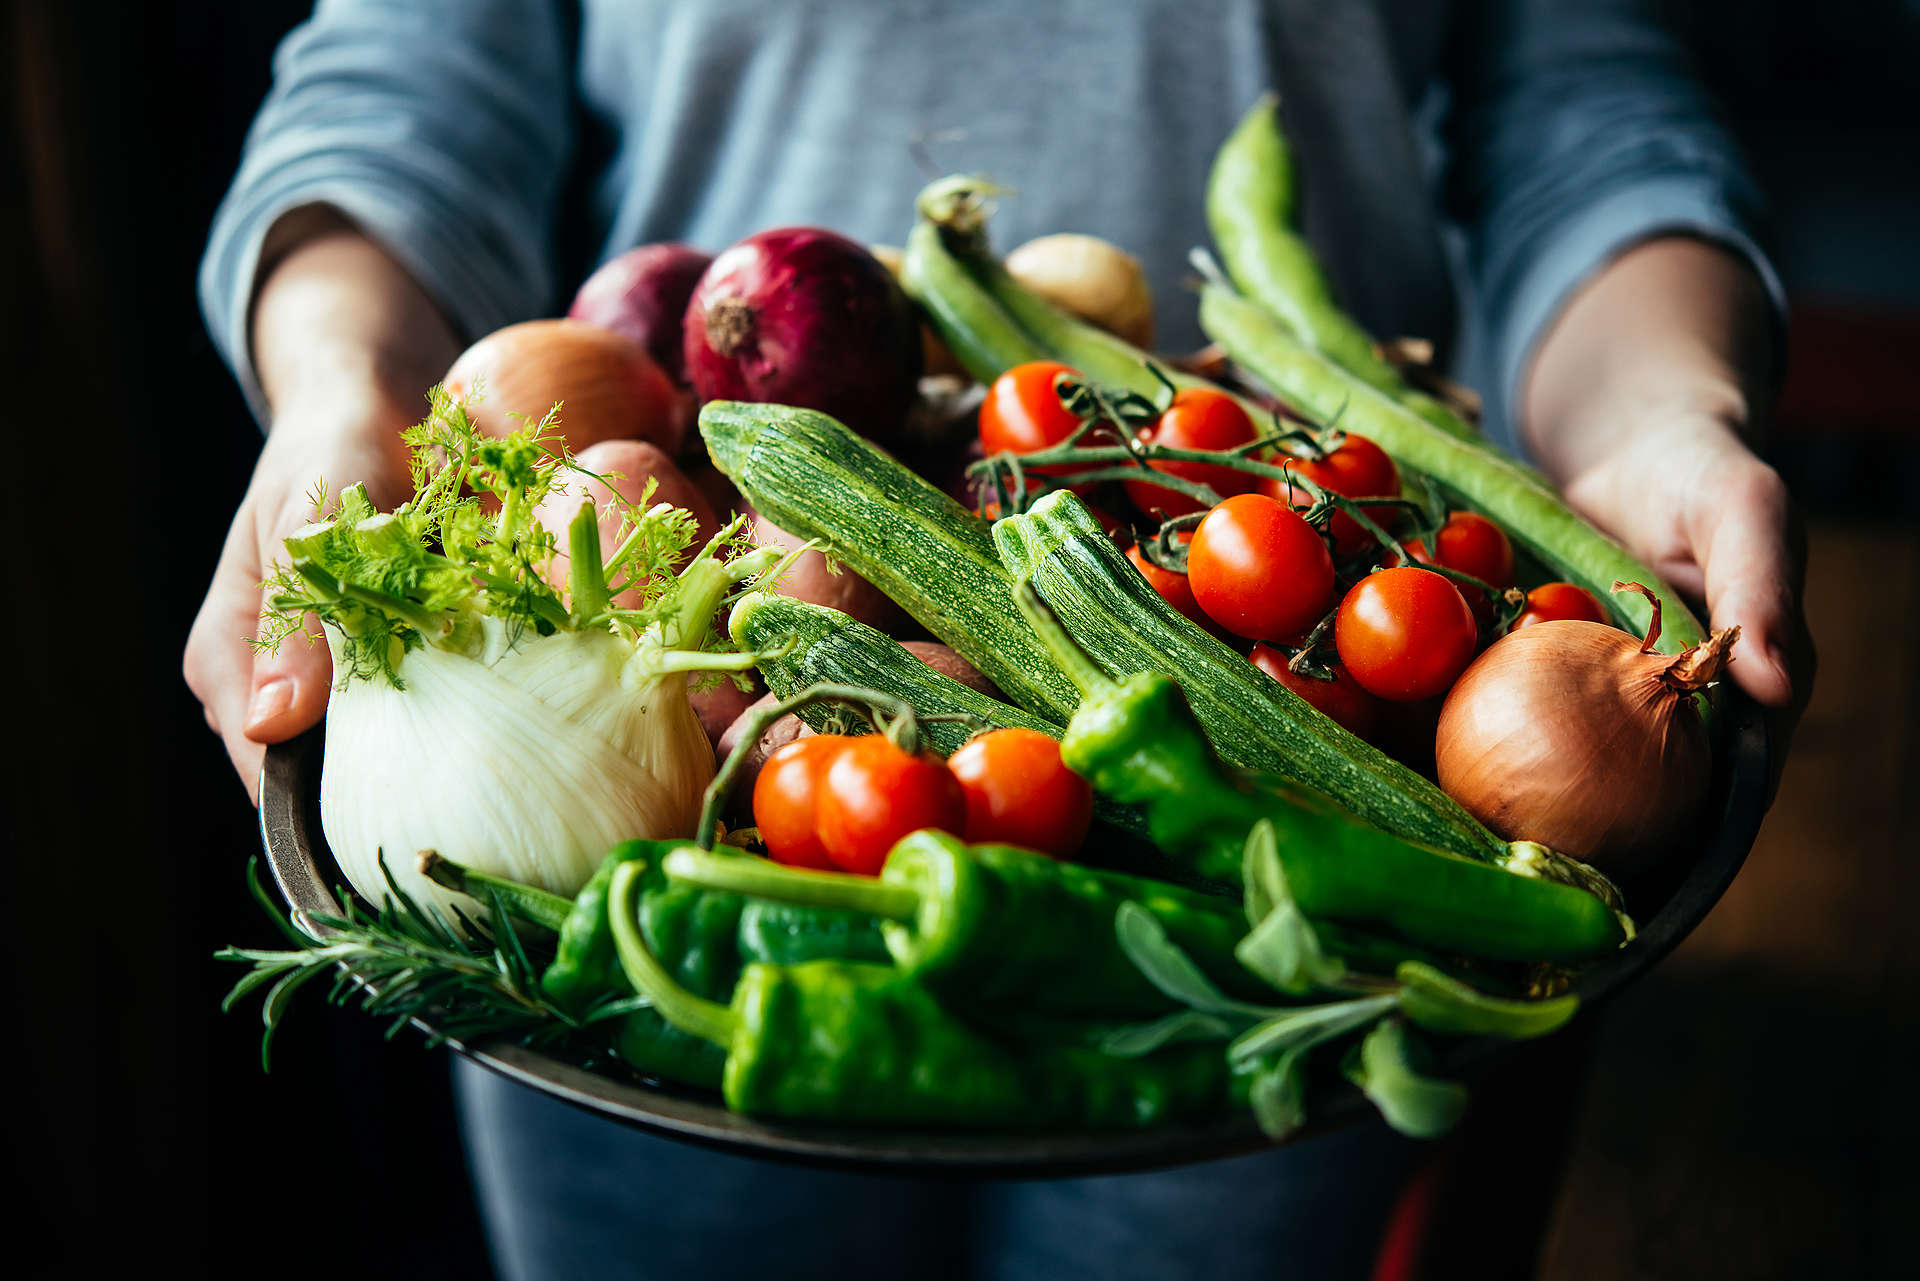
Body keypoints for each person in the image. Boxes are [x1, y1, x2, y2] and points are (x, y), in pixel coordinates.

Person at [185, 2, 1811, 1277]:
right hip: (655, 758)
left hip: (1296, 796)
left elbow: (1580, 112)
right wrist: (342, 394)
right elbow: (403, 87)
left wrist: (1667, 409)